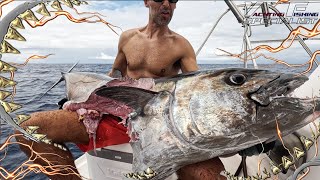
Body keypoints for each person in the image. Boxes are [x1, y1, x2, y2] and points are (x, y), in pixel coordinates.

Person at [16, 0, 226, 179]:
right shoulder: (128, 38)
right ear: (146, 1)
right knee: (28, 128)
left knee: (211, 174)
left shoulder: (181, 45)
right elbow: (115, 74)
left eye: (172, 0)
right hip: (116, 115)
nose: (166, 5)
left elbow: (197, 87)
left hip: (159, 124)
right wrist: (84, 96)